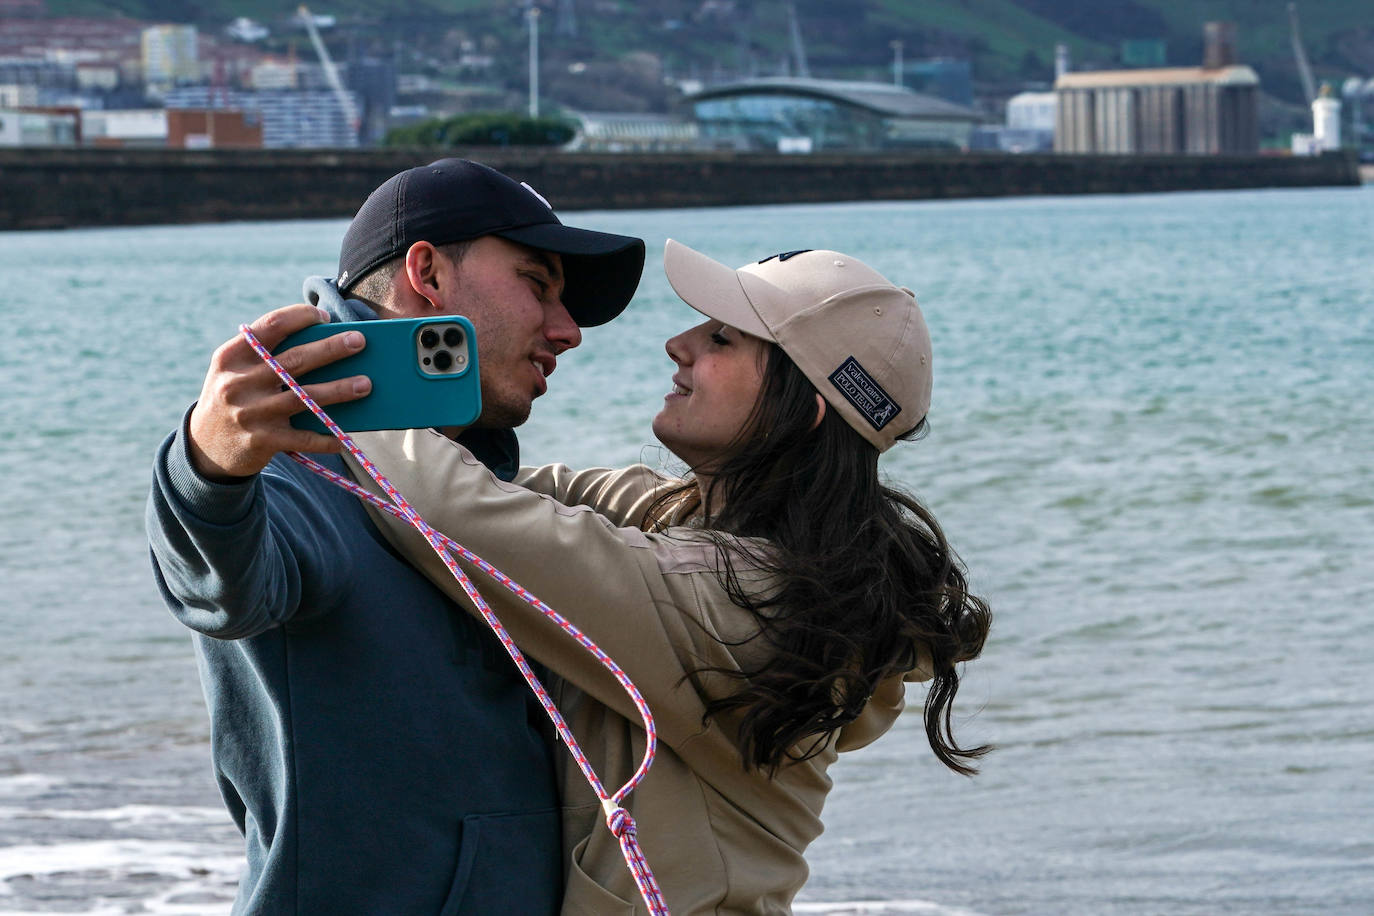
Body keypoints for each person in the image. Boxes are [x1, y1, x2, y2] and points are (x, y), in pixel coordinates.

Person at [340, 241, 993, 914]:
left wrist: (339, 362)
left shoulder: (743, 607)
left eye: (721, 339)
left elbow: (451, 512)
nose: (678, 344)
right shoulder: (699, 521)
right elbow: (513, 495)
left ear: (806, 407)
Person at [144, 158, 645, 914]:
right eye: (537, 286)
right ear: (427, 273)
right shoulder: (303, 469)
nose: (567, 332)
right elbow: (222, 585)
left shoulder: (478, 494)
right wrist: (205, 464)